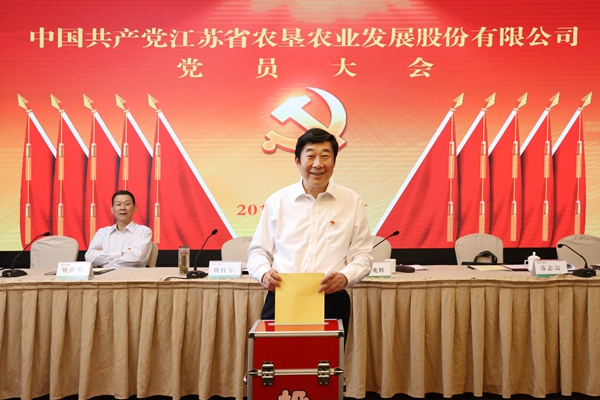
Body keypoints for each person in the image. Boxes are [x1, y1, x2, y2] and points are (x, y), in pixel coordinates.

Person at [247, 128, 373, 336]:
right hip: (283, 298)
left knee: (327, 358)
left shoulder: (351, 201)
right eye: (311, 156)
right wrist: (263, 273)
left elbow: (363, 255)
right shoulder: (278, 201)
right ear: (297, 161)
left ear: (334, 161)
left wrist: (345, 276)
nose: (318, 164)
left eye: (325, 156)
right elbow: (258, 251)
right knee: (276, 357)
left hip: (331, 300)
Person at [85, 190, 153, 268]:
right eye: (118, 204)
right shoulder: (102, 233)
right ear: (112, 209)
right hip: (104, 276)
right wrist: (120, 254)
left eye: (127, 204)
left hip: (131, 275)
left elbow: (137, 258)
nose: (122, 208)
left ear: (134, 208)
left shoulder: (143, 231)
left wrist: (104, 262)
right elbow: (89, 257)